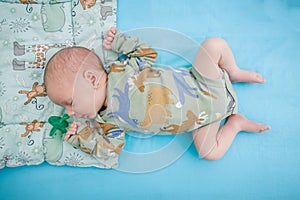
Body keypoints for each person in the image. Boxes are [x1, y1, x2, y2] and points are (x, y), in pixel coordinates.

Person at [44, 27, 270, 161]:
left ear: (91, 79)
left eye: (70, 102)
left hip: (204, 82)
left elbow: (147, 53)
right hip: (202, 121)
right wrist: (82, 137)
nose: (70, 112)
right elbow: (110, 150)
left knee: (214, 45)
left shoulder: (122, 70)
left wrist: (120, 42)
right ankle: (235, 125)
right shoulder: (107, 123)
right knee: (209, 153)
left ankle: (233, 71)